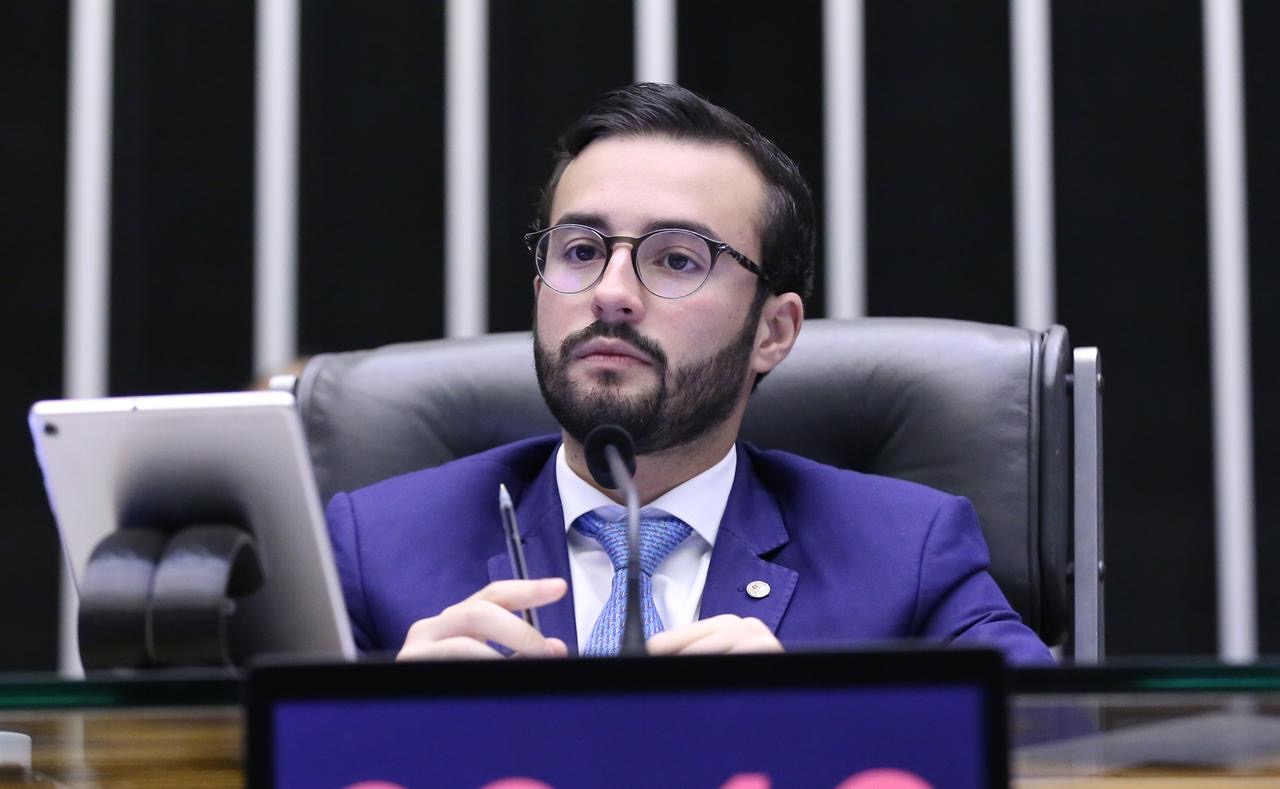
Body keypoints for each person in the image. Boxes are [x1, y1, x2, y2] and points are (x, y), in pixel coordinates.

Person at [325, 83, 1055, 666]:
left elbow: (1056, 751)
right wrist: (381, 729)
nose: (611, 291)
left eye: (677, 259)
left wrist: (818, 730)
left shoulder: (906, 552)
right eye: (581, 250)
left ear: (773, 331)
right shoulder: (372, 548)